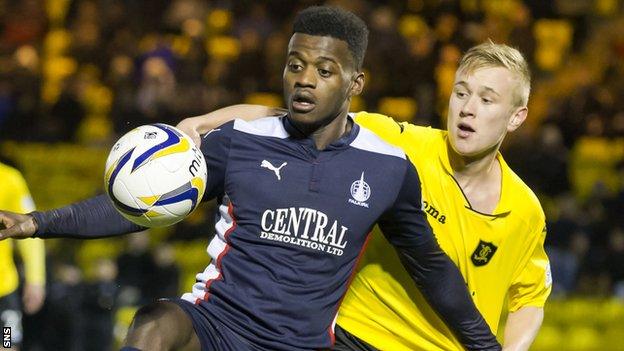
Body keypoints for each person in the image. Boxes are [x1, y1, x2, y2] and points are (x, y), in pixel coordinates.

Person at [0, 7, 500, 351]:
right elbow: (137, 206)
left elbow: (431, 268)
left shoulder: (389, 168)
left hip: (302, 342)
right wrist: (34, 223)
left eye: (325, 70)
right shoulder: (242, 140)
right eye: (295, 65)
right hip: (217, 324)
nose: (305, 79)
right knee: (154, 323)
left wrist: (485, 345)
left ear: (355, 83)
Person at [177, 42, 551, 350]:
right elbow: (278, 119)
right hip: (357, 336)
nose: (467, 109)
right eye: (461, 93)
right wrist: (200, 123)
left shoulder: (524, 210)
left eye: (486, 101)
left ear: (516, 117)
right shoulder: (394, 146)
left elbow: (529, 297)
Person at [0, 160, 46, 350]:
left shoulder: (9, 179)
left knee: (8, 343)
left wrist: (36, 279)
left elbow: (29, 229)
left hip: (3, 289)